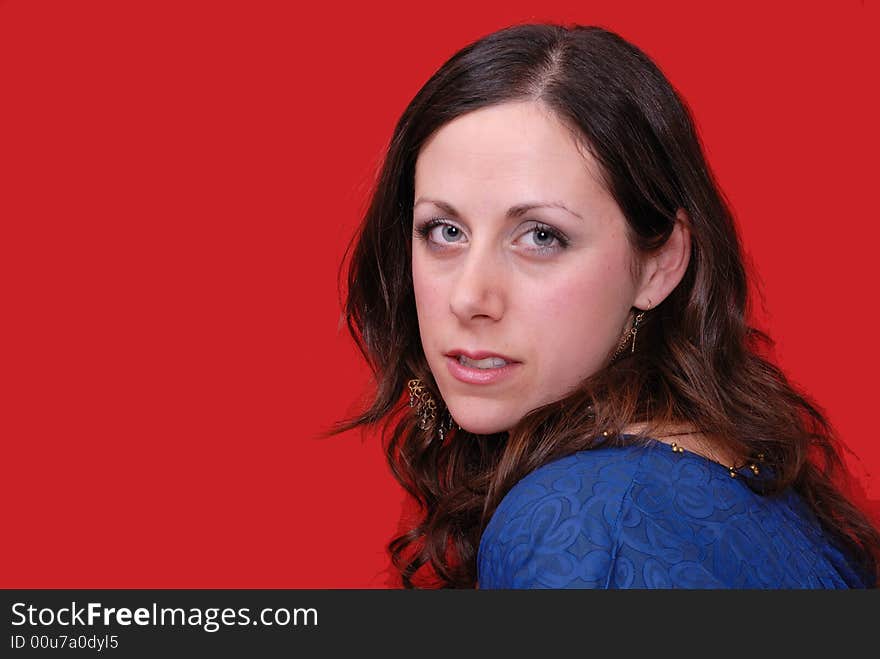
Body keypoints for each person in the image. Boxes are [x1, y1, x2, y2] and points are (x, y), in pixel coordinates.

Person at [329, 23, 880, 588]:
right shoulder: (725, 469)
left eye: (541, 236)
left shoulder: (584, 522)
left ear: (659, 263)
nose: (470, 297)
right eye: (445, 231)